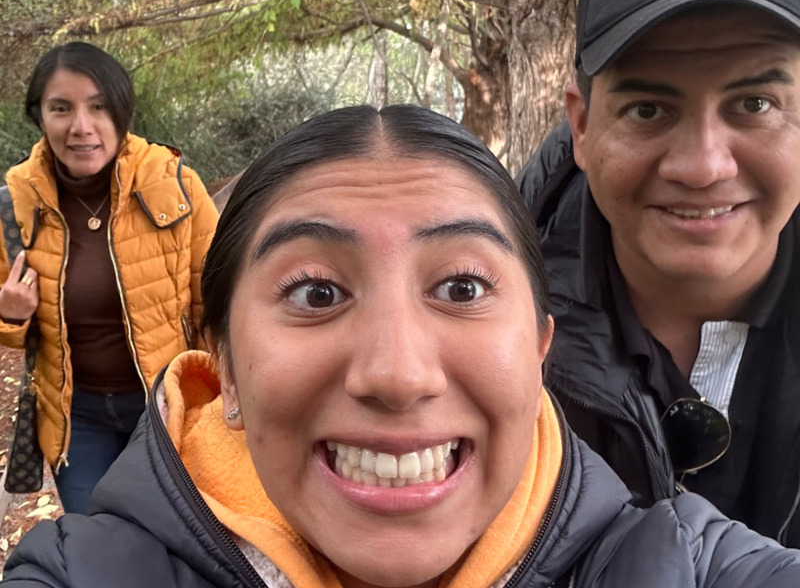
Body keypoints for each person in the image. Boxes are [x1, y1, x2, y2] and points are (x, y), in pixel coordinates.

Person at [5, 104, 800, 588]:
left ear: (539, 348)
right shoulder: (79, 573)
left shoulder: (686, 566)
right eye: (316, 293)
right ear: (226, 368)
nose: (396, 373)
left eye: (462, 288)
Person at [516, 0, 800, 546]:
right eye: (648, 109)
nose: (703, 166)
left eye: (754, 103)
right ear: (582, 126)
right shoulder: (478, 334)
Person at [0, 41, 218, 514]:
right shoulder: (14, 203)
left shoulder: (175, 183)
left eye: (98, 107)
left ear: (122, 111)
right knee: (98, 536)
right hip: (77, 420)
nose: (81, 126)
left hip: (168, 407)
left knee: (175, 532)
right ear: (40, 117)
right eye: (61, 108)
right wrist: (11, 315)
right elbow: (9, 326)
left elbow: (218, 299)